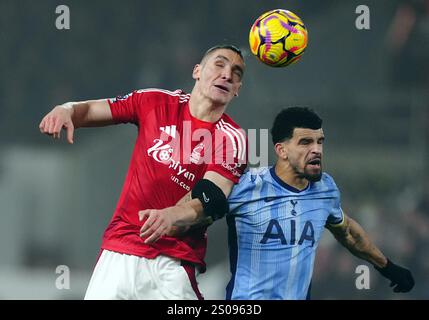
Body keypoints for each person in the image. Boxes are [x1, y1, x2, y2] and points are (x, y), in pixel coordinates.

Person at [39, 44, 247, 300]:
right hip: (120, 252)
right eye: (219, 64)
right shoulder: (154, 101)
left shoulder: (231, 138)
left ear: (237, 89)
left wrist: (174, 214)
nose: (227, 74)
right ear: (197, 71)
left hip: (173, 263)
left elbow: (213, 198)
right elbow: (92, 110)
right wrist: (67, 109)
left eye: (236, 72)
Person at [141, 107, 415, 300]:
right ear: (281, 150)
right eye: (305, 142)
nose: (316, 149)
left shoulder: (325, 189)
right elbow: (194, 210)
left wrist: (386, 266)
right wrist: (168, 219)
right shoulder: (245, 186)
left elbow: (348, 232)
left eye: (320, 142)